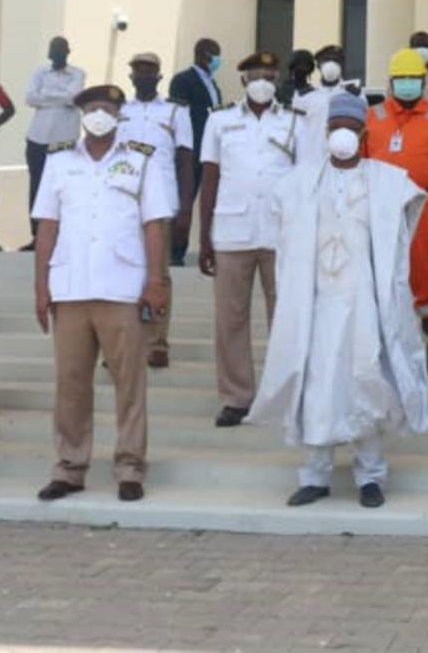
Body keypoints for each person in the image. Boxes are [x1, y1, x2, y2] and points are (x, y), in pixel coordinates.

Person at [246, 92, 428, 509]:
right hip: (318, 303)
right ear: (326, 133)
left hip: (364, 301)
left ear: (363, 134)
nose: (342, 136)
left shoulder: (384, 179)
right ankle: (315, 474)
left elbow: (413, 204)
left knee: (366, 377)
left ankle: (371, 475)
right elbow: (279, 218)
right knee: (319, 383)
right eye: (335, 129)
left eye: (350, 129)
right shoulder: (299, 182)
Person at [32, 84, 173, 503]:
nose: (99, 114)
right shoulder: (59, 161)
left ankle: (130, 466)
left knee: (129, 383)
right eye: (92, 108)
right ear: (81, 114)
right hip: (71, 287)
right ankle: (70, 468)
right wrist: (41, 287)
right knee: (71, 383)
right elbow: (46, 227)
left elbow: (154, 225)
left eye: (107, 108)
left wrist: (154, 282)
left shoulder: (140, 160)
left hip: (122, 287)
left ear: (119, 114)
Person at [199, 51, 301, 427]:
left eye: (269, 76)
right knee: (230, 320)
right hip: (231, 233)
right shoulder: (219, 121)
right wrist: (204, 236)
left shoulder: (295, 122)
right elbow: (209, 178)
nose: (262, 81)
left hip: (282, 234)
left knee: (286, 318)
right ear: (242, 80)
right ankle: (236, 396)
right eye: (255, 75)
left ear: (278, 82)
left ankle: (284, 394)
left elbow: (305, 181)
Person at [364, 48, 428, 375]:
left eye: (413, 79)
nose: (407, 85)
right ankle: (385, 342)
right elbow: (362, 160)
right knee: (383, 274)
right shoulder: (375, 117)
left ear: (423, 81)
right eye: (401, 79)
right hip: (385, 209)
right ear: (391, 82)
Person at [119, 53, 194, 369]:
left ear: (159, 77)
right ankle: (124, 341)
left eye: (150, 71)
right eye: (139, 71)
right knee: (123, 272)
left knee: (158, 275)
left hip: (162, 203)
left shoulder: (176, 111)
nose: (144, 76)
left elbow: (186, 159)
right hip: (122, 202)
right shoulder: (118, 112)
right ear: (131, 76)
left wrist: (186, 208)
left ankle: (157, 342)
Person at [22, 36, 86, 245]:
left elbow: (74, 98)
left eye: (61, 50)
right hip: (38, 138)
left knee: (63, 187)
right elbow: (30, 98)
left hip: (64, 140)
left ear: (68, 52)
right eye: (54, 50)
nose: (57, 54)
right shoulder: (39, 72)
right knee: (37, 186)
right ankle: (36, 236)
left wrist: (46, 97)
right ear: (49, 53)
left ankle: (60, 234)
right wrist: (61, 97)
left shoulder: (78, 73)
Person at [169, 37, 224, 266]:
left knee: (210, 201)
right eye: (215, 55)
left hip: (210, 152)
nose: (217, 60)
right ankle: (174, 252)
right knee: (184, 202)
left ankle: (209, 245)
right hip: (190, 150)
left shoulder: (213, 85)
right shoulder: (183, 80)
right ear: (202, 54)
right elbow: (179, 117)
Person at [293, 44, 362, 167]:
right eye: (326, 60)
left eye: (336, 60)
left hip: (344, 161)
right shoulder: (305, 96)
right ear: (319, 65)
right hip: (311, 162)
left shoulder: (354, 94)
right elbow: (294, 131)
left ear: (342, 65)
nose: (331, 64)